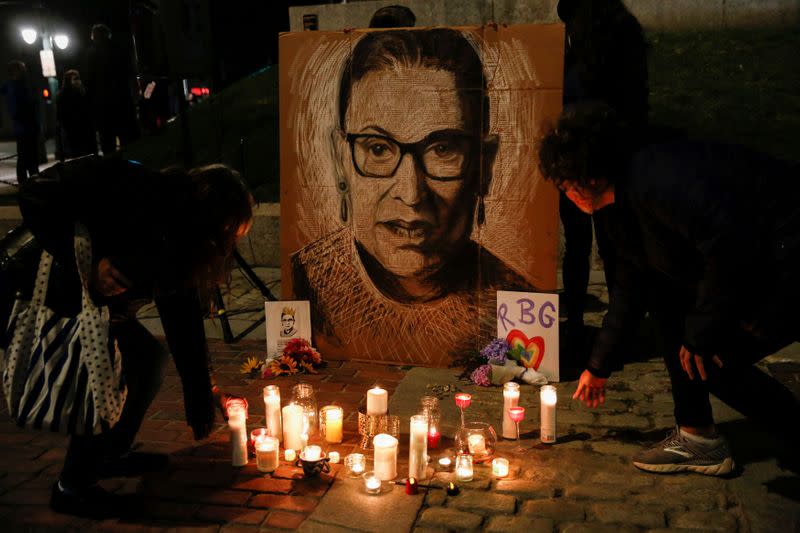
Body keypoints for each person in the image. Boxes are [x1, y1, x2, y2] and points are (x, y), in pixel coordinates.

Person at [539, 102, 800, 476]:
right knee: (667, 306)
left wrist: (701, 334)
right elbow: (631, 287)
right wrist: (598, 366)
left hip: (785, 260)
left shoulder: (657, 182)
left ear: (588, 178)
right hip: (754, 264)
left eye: (565, 186)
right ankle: (697, 436)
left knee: (712, 362)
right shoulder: (619, 205)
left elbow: (728, 248)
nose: (566, 196)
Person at [14, 155, 253, 517]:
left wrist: (204, 391)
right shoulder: (132, 186)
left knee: (146, 361)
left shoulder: (179, 240)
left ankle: (110, 454)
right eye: (225, 237)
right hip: (46, 285)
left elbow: (182, 319)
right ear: (206, 219)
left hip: (97, 304)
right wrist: (93, 263)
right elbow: (35, 194)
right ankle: (72, 486)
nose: (224, 251)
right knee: (106, 372)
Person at [291, 29, 533, 365]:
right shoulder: (304, 284)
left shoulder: (517, 302)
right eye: (378, 148)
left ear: (484, 166)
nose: (411, 193)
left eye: (442, 149)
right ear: (340, 161)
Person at [555, 0, 649, 354]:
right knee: (580, 243)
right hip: (579, 158)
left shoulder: (610, 51)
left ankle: (618, 324)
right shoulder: (575, 53)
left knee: (613, 243)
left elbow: (627, 106)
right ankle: (580, 320)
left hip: (605, 159)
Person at [84, 24, 140, 155]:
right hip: (123, 102)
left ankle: (113, 172)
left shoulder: (91, 55)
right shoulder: (120, 51)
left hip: (104, 106)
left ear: (94, 36)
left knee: (108, 145)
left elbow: (90, 82)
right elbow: (129, 73)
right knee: (128, 143)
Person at [0, 61, 40, 183]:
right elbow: (20, 109)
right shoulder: (17, 87)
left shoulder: (16, 86)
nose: (25, 71)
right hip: (25, 127)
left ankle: (30, 182)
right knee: (27, 158)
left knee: (26, 158)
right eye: (22, 69)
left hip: (23, 127)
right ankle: (30, 183)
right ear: (16, 72)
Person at [56, 69, 97, 159]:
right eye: (75, 79)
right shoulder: (64, 95)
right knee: (78, 155)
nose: (78, 81)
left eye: (78, 78)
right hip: (73, 131)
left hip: (86, 129)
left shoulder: (83, 91)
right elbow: (62, 115)